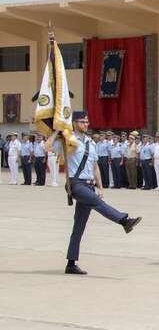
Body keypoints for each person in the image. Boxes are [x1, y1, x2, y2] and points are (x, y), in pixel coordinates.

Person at [44, 111, 142, 275]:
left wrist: (100, 187)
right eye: (82, 122)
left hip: (89, 185)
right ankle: (124, 220)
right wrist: (57, 132)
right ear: (74, 123)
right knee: (97, 203)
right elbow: (47, 147)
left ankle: (71, 263)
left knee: (79, 226)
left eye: (87, 122)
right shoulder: (68, 139)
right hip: (76, 183)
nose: (86, 124)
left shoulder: (91, 143)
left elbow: (95, 166)